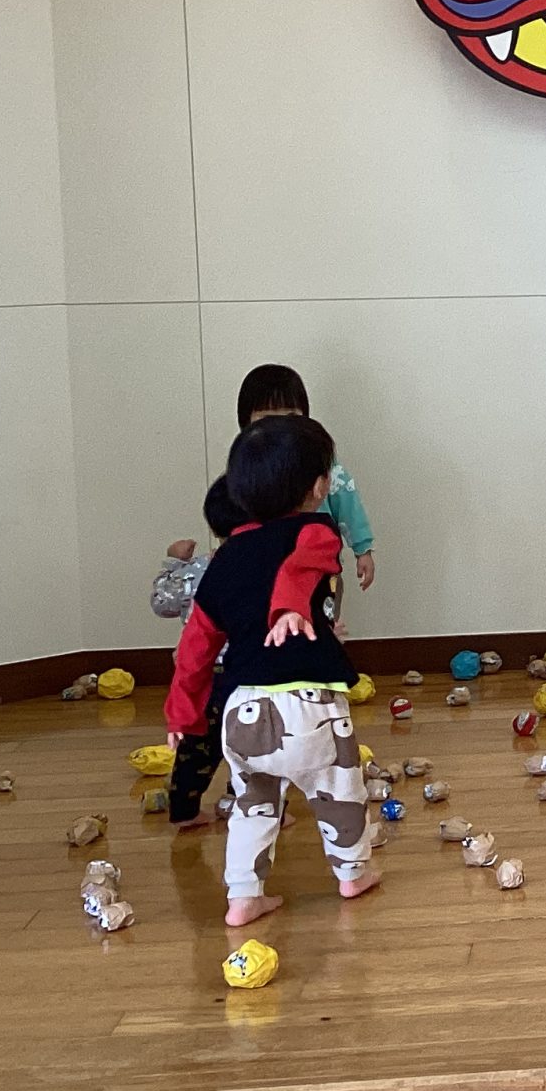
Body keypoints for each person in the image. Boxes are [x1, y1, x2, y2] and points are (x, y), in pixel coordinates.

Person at [165, 414, 377, 923]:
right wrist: (288, 607)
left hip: (240, 709)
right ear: (319, 487)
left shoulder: (225, 559)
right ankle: (352, 873)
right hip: (308, 703)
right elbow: (300, 567)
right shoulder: (317, 531)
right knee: (339, 791)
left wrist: (182, 715)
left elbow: (194, 648)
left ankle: (244, 896)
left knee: (252, 805)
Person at [236, 364, 377, 594]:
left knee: (323, 606)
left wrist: (363, 550)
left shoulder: (318, 459)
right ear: (247, 423)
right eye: (267, 418)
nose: (281, 427)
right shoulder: (247, 465)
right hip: (265, 570)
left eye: (291, 416)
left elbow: (348, 503)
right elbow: (230, 511)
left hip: (319, 567)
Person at [164, 476, 246, 832]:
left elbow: (162, 603)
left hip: (203, 673)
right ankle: (252, 807)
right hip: (244, 674)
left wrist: (174, 563)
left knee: (197, 746)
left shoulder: (198, 569)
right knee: (253, 744)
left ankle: (184, 809)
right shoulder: (261, 567)